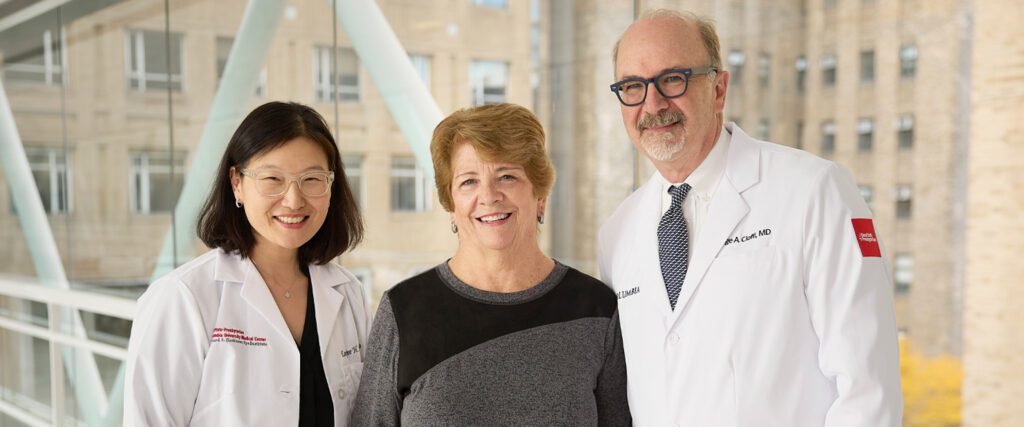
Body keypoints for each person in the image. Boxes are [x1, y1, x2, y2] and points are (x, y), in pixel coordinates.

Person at [597, 9, 903, 426]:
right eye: (633, 86)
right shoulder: (617, 233)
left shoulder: (815, 191)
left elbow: (868, 391)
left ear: (719, 89)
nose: (652, 104)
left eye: (673, 79)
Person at [351, 103, 630, 426]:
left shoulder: (596, 310)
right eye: (468, 182)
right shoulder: (404, 311)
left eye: (507, 176)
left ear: (540, 195)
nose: (489, 196)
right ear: (451, 204)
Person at [124, 101, 371, 426]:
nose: (294, 200)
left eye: (312, 179)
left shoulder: (349, 294)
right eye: (272, 178)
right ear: (236, 183)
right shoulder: (183, 297)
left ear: (331, 185)